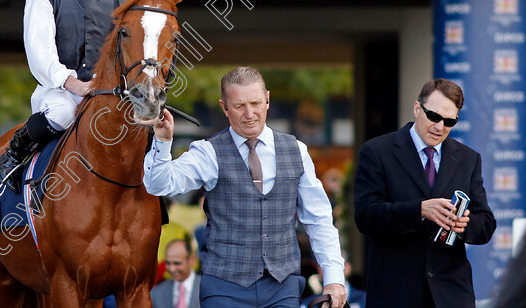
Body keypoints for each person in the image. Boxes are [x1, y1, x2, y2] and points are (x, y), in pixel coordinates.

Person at [144, 66, 347, 308]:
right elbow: (158, 184)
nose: (249, 113)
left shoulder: (297, 151)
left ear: (268, 100)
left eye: (256, 103)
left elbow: (319, 220)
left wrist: (334, 279)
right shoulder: (208, 152)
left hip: (283, 287)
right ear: (224, 107)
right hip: (224, 287)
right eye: (240, 106)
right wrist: (163, 140)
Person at [0, 0, 125, 193]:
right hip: (58, 91)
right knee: (65, 111)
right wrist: (73, 84)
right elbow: (39, 51)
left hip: (106, 92)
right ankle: (15, 153)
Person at [353, 78, 496, 308]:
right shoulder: (377, 151)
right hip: (396, 292)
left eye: (449, 121)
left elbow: (486, 223)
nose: (440, 127)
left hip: (451, 295)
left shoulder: (468, 159)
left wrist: (464, 226)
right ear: (417, 108)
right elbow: (366, 216)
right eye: (434, 116)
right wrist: (420, 210)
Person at [150, 239, 201, 308]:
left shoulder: (208, 288)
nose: (172, 269)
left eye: (177, 263)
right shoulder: (157, 293)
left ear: (191, 260)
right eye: (168, 263)